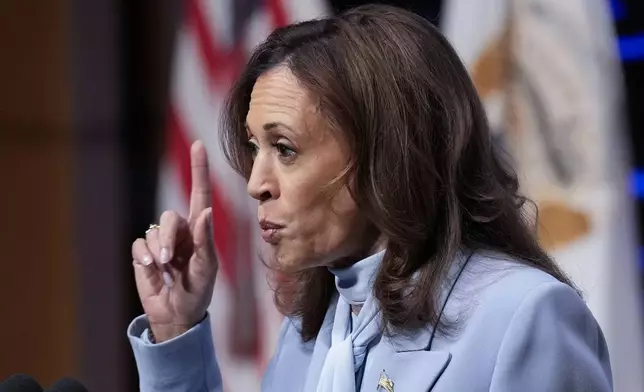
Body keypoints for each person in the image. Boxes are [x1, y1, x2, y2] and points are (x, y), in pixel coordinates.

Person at [127, 4, 612, 392]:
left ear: (386, 153)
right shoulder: (307, 336)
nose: (256, 183)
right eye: (255, 148)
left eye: (285, 149)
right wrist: (178, 332)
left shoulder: (524, 316)